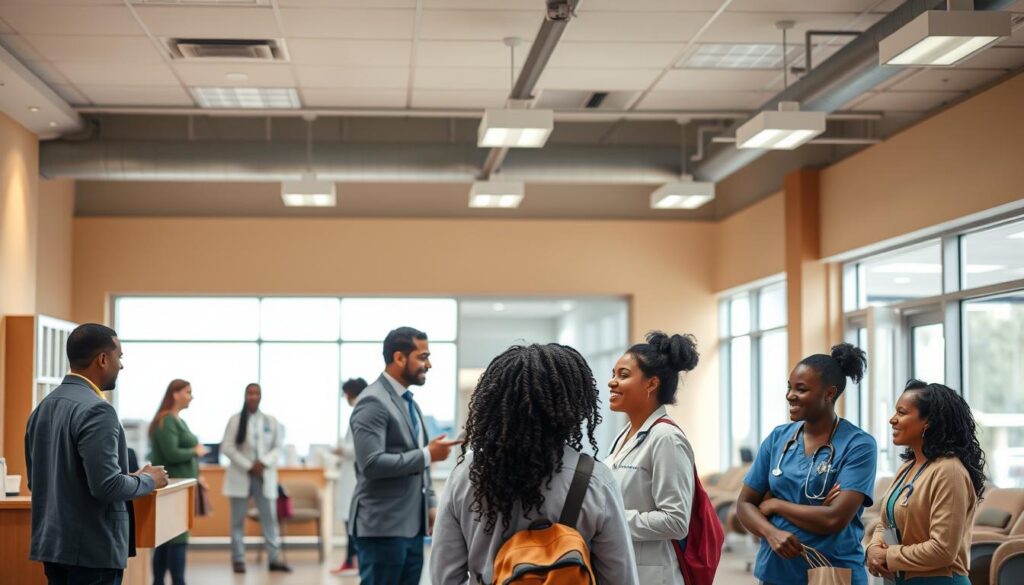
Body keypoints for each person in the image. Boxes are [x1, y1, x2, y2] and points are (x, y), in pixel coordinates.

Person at [431, 343, 640, 585]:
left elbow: (444, 576)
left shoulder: (466, 475)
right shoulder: (594, 480)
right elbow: (620, 577)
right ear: (573, 405)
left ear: (496, 402)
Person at [25, 323, 170, 585]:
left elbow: (37, 482)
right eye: (120, 357)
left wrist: (127, 476)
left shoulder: (43, 408)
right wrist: (148, 480)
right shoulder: (97, 410)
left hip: (53, 547)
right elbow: (107, 487)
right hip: (92, 552)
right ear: (103, 359)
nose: (122, 366)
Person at [736, 343, 877, 585]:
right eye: (789, 388)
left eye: (801, 389)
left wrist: (775, 504)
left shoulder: (858, 445)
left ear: (829, 393)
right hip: (775, 571)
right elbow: (745, 505)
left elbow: (833, 520)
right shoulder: (778, 438)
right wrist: (772, 533)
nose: (791, 395)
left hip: (832, 571)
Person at [349, 326, 461, 585]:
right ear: (399, 358)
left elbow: (421, 463)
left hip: (412, 528)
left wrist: (431, 506)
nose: (429, 364)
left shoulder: (410, 402)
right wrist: (427, 454)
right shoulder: (373, 401)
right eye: (423, 357)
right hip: (382, 529)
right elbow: (371, 463)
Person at [866, 380, 986, 584]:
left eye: (902, 413)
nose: (892, 420)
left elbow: (942, 550)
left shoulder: (950, 470)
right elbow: (886, 523)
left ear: (928, 421)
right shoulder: (908, 467)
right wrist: (874, 548)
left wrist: (888, 556)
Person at [607, 331, 700, 584]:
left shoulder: (666, 438)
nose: (612, 382)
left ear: (651, 383)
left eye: (623, 375)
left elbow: (676, 521)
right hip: (624, 567)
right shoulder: (626, 434)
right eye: (613, 374)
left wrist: (610, 518)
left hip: (653, 575)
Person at [220, 383, 290, 574]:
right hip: (242, 475)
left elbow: (278, 447)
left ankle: (274, 559)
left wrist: (263, 463)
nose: (253, 396)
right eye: (249, 393)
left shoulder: (271, 421)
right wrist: (249, 466)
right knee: (237, 521)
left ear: (261, 396)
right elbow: (227, 447)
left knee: (270, 520)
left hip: (263, 476)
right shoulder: (235, 420)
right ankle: (238, 559)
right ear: (245, 396)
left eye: (256, 393)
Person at [148, 379, 207, 585]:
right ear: (175, 394)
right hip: (172, 490)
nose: (191, 396)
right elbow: (171, 454)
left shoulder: (177, 420)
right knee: (176, 540)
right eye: (188, 392)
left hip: (180, 489)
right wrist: (195, 451)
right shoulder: (167, 421)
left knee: (167, 541)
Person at [330, 377, 368, 576]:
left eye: (346, 393)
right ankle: (349, 560)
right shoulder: (360, 410)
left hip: (354, 476)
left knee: (353, 522)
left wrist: (340, 450)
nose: (345, 398)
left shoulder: (362, 411)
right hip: (350, 474)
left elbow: (358, 447)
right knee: (349, 521)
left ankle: (353, 561)